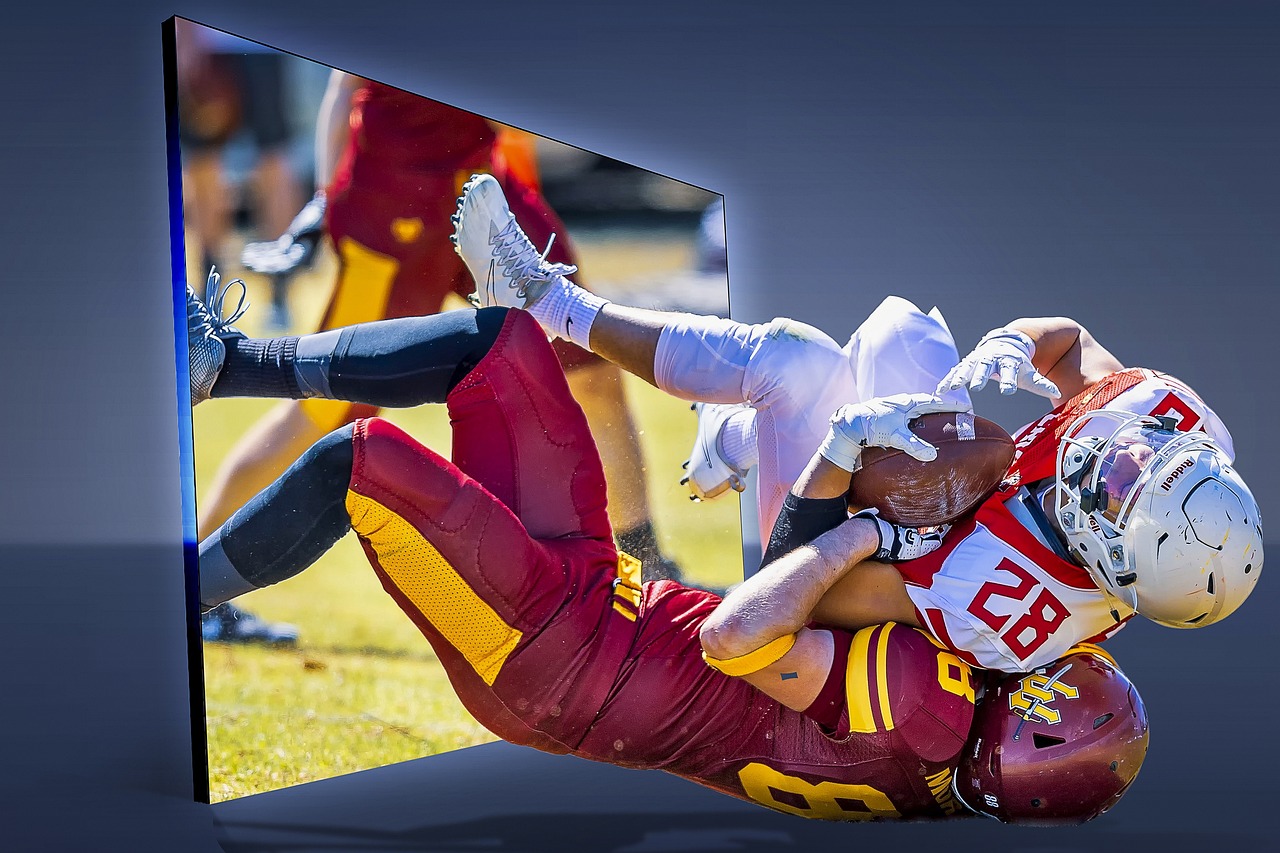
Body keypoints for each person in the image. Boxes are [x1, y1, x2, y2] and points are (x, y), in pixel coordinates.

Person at [184, 279, 1148, 823]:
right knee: (503, 346)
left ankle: (169, 602)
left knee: (362, 464)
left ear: (1019, 730)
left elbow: (739, 633)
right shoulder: (944, 723)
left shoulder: (929, 709)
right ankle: (221, 363)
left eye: (1043, 679)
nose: (1036, 656)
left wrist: (863, 521)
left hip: (559, 658)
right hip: (606, 603)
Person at [450, 172, 1265, 674]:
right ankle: (733, 436)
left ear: (1108, 554)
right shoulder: (1177, 430)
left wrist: (845, 467)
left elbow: (814, 590)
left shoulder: (1008, 606)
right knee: (900, 332)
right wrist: (1017, 340)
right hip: (923, 498)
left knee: (793, 362)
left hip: (822, 545)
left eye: (1120, 487)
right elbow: (1074, 350)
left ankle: (546, 302)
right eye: (1144, 459)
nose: (1118, 453)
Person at [204, 69, 682, 611]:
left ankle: (645, 564)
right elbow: (343, 84)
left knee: (592, 364)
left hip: (483, 187)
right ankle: (194, 579)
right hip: (393, 205)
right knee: (323, 407)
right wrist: (323, 194)